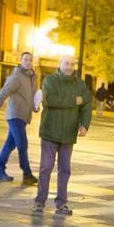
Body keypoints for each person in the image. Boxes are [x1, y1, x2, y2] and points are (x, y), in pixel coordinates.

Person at [33, 55, 92, 216]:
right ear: (59, 64)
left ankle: (61, 203)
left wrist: (85, 125)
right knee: (46, 167)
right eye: (67, 63)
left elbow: (87, 104)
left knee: (65, 170)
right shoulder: (50, 81)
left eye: (72, 64)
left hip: (68, 134)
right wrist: (74, 101)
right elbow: (51, 101)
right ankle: (39, 201)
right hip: (50, 132)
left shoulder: (79, 84)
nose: (69, 67)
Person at [0, 52, 39, 185]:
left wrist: (35, 106)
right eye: (25, 60)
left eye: (30, 60)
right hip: (15, 115)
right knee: (23, 144)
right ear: (21, 60)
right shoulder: (16, 76)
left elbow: (33, 95)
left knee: (10, 144)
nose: (28, 62)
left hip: (23, 116)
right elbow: (4, 92)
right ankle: (27, 174)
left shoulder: (33, 77)